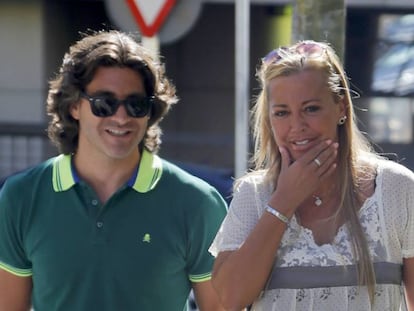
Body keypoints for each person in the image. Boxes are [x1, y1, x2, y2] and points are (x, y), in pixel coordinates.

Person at [0, 30, 227, 311]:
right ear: (73, 106)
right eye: (104, 103)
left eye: (136, 104)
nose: (121, 117)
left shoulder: (197, 203)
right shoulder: (21, 197)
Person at [209, 40, 414, 310]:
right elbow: (230, 299)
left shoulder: (395, 187)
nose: (297, 127)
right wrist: (283, 202)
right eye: (282, 113)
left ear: (340, 108)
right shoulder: (254, 194)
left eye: (311, 109)